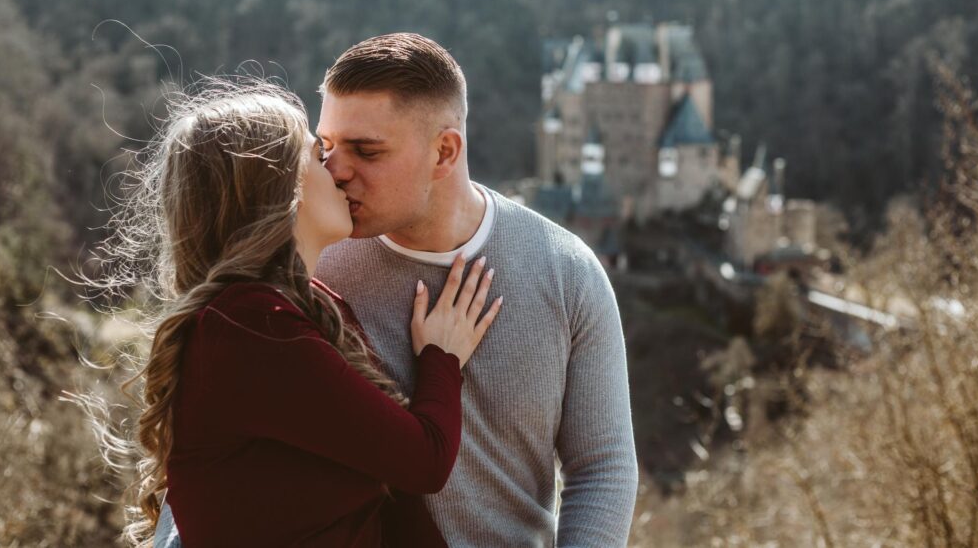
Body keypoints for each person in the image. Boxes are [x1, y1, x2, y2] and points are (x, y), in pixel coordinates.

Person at [155, 33, 640, 546]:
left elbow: (602, 470)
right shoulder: (311, 273)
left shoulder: (567, 272)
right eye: (326, 148)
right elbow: (214, 459)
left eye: (366, 151)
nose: (338, 171)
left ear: (444, 151)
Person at [100, 81, 502, 547]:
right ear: (277, 189)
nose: (338, 171)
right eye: (318, 155)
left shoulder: (296, 308)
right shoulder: (253, 328)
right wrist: (440, 355)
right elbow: (422, 462)